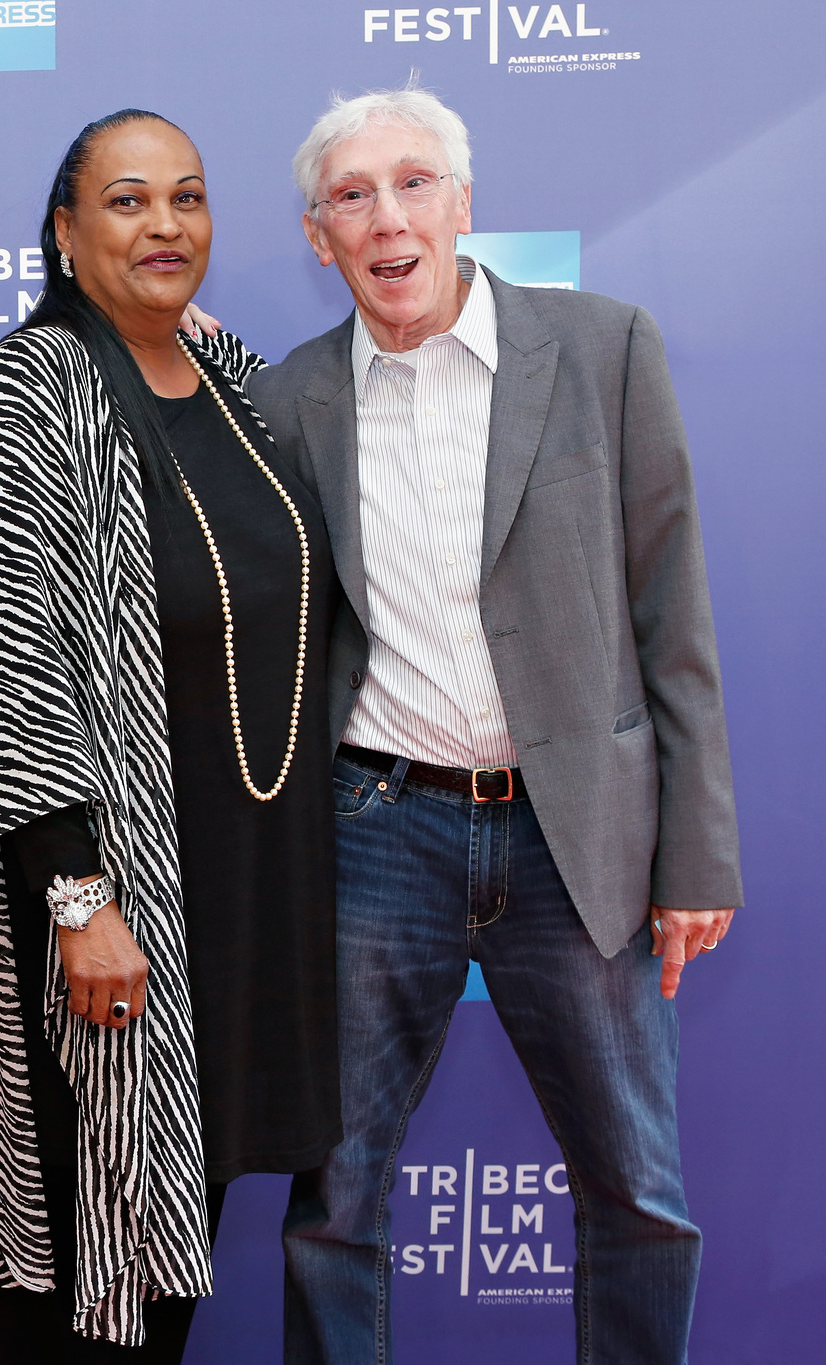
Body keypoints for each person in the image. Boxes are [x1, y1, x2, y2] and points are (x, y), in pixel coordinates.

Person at [248, 86, 740, 1364]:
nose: (386, 218)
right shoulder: (289, 400)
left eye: (413, 184)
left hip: (575, 834)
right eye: (351, 197)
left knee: (637, 1192)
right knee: (334, 1198)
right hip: (375, 832)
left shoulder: (601, 348)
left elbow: (668, 612)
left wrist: (694, 854)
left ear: (463, 205)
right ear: (317, 238)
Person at [0, 109, 341, 1362]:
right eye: (126, 201)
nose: (164, 225)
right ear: (65, 234)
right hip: (97, 912)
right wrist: (79, 902)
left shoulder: (229, 381)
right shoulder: (25, 395)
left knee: (163, 1269)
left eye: (185, 196)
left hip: (232, 901)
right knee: (79, 1283)